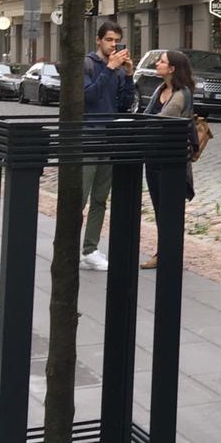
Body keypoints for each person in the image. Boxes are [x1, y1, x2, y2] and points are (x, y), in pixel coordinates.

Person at [81, 18, 138, 271]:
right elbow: (89, 96)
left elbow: (124, 104)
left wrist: (128, 76)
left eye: (117, 40)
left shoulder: (116, 69)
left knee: (101, 198)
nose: (113, 44)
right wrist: (109, 68)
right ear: (98, 40)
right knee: (79, 198)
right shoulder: (87, 64)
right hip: (86, 138)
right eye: (109, 40)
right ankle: (68, 248)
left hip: (108, 138)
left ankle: (90, 249)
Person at [138, 49, 196, 271]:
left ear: (172, 69)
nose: (157, 64)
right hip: (153, 157)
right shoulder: (160, 89)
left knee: (169, 209)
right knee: (159, 207)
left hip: (172, 161)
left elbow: (160, 122)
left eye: (161, 62)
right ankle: (166, 252)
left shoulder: (181, 94)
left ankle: (167, 254)